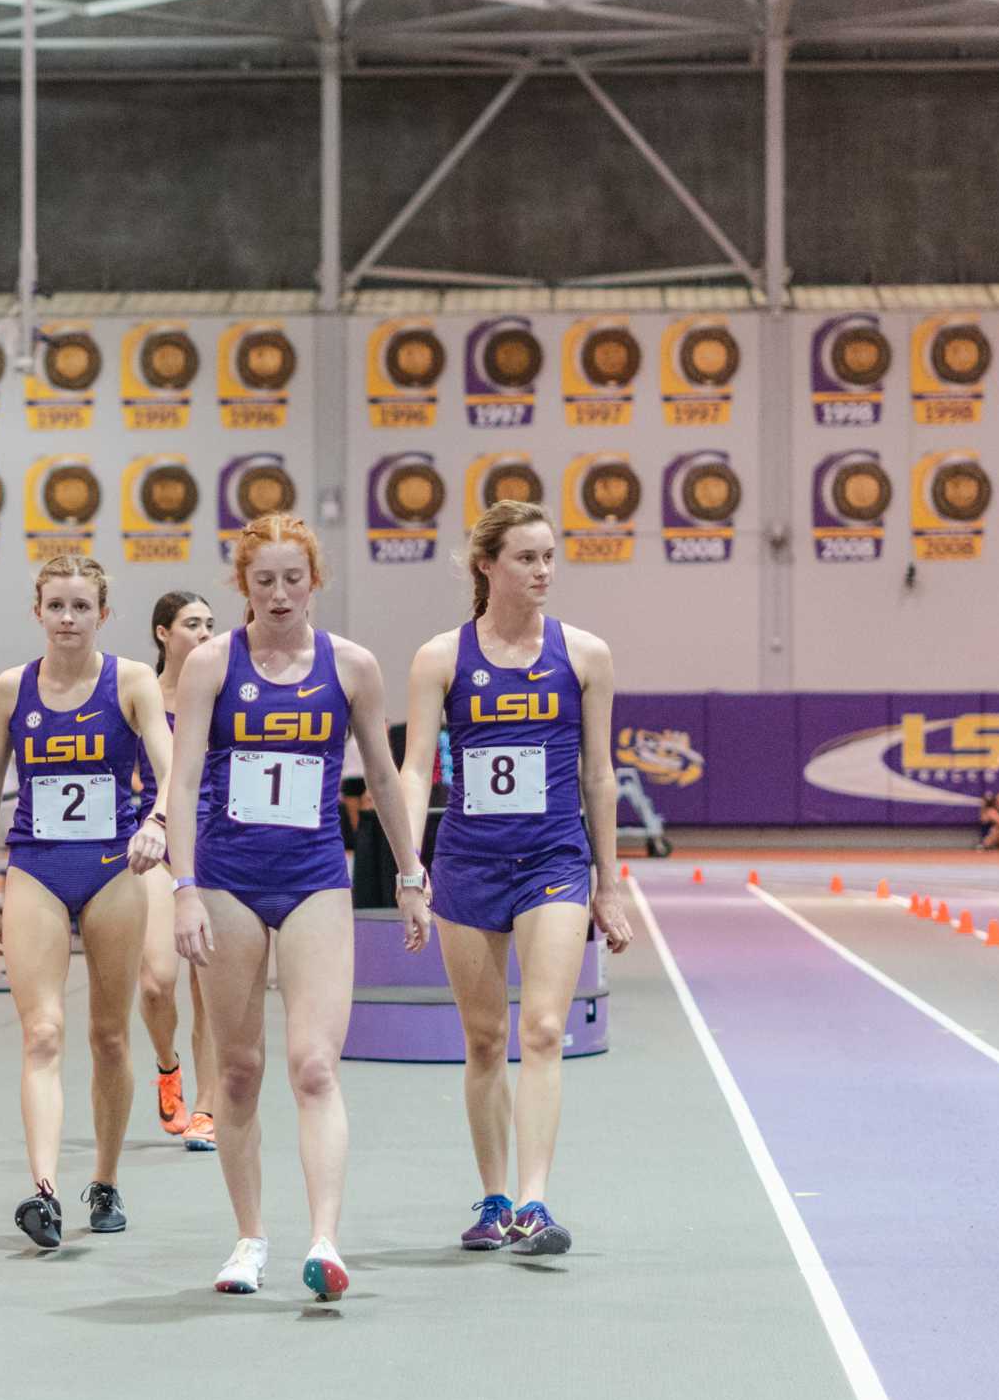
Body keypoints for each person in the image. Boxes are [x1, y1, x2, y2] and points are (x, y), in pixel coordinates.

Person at [166, 514, 431, 1301]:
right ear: (241, 585)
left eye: (293, 579)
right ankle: (249, 1239)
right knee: (239, 1074)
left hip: (316, 875)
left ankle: (325, 1239)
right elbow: (181, 783)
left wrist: (412, 872)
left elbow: (382, 779)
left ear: (315, 581)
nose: (279, 595)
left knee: (314, 1066)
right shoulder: (212, 665)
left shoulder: (351, 668)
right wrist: (183, 890)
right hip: (227, 879)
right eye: (262, 581)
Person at [399, 498, 637, 1262]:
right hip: (467, 861)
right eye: (527, 558)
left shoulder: (586, 655)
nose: (543, 571)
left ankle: (535, 1202)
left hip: (553, 860)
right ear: (487, 566)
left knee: (540, 1030)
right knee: (483, 1039)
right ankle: (495, 1196)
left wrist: (610, 883)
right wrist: (410, 869)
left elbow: (598, 775)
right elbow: (411, 771)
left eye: (549, 556)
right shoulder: (440, 657)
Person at [0, 556, 174, 1249]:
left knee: (108, 1034)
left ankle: (105, 1179)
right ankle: (44, 1191)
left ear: (102, 614)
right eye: (57, 606)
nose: (69, 619)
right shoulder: (14, 689)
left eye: (82, 607)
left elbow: (172, 772)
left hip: (115, 867)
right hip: (38, 868)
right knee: (42, 1031)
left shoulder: (132, 681)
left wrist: (157, 824)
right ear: (38, 611)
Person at [134, 591, 219, 1152]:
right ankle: (169, 1067)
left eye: (211, 624)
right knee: (158, 980)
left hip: (216, 843)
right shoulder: (138, 695)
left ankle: (208, 1108)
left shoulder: (222, 693)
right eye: (193, 624)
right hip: (156, 846)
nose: (206, 634)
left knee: (210, 984)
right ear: (164, 632)